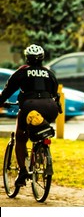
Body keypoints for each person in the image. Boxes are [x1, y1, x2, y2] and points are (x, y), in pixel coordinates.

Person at [0, 44, 61, 186]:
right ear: (42, 58)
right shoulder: (49, 73)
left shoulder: (22, 72)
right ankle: (41, 151)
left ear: (27, 57)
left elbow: (7, 91)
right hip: (50, 107)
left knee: (20, 136)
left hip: (30, 106)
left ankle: (22, 172)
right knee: (40, 127)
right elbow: (55, 93)